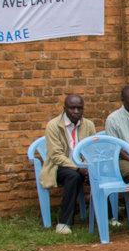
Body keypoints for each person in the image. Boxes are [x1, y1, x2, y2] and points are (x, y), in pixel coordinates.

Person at [39, 94, 97, 234]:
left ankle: (108, 217)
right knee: (73, 176)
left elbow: (92, 149)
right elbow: (56, 155)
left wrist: (88, 167)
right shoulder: (53, 125)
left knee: (98, 175)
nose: (76, 111)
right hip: (58, 167)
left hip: (83, 167)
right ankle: (64, 223)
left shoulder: (88, 125)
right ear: (64, 108)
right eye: (72, 108)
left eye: (79, 108)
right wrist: (78, 168)